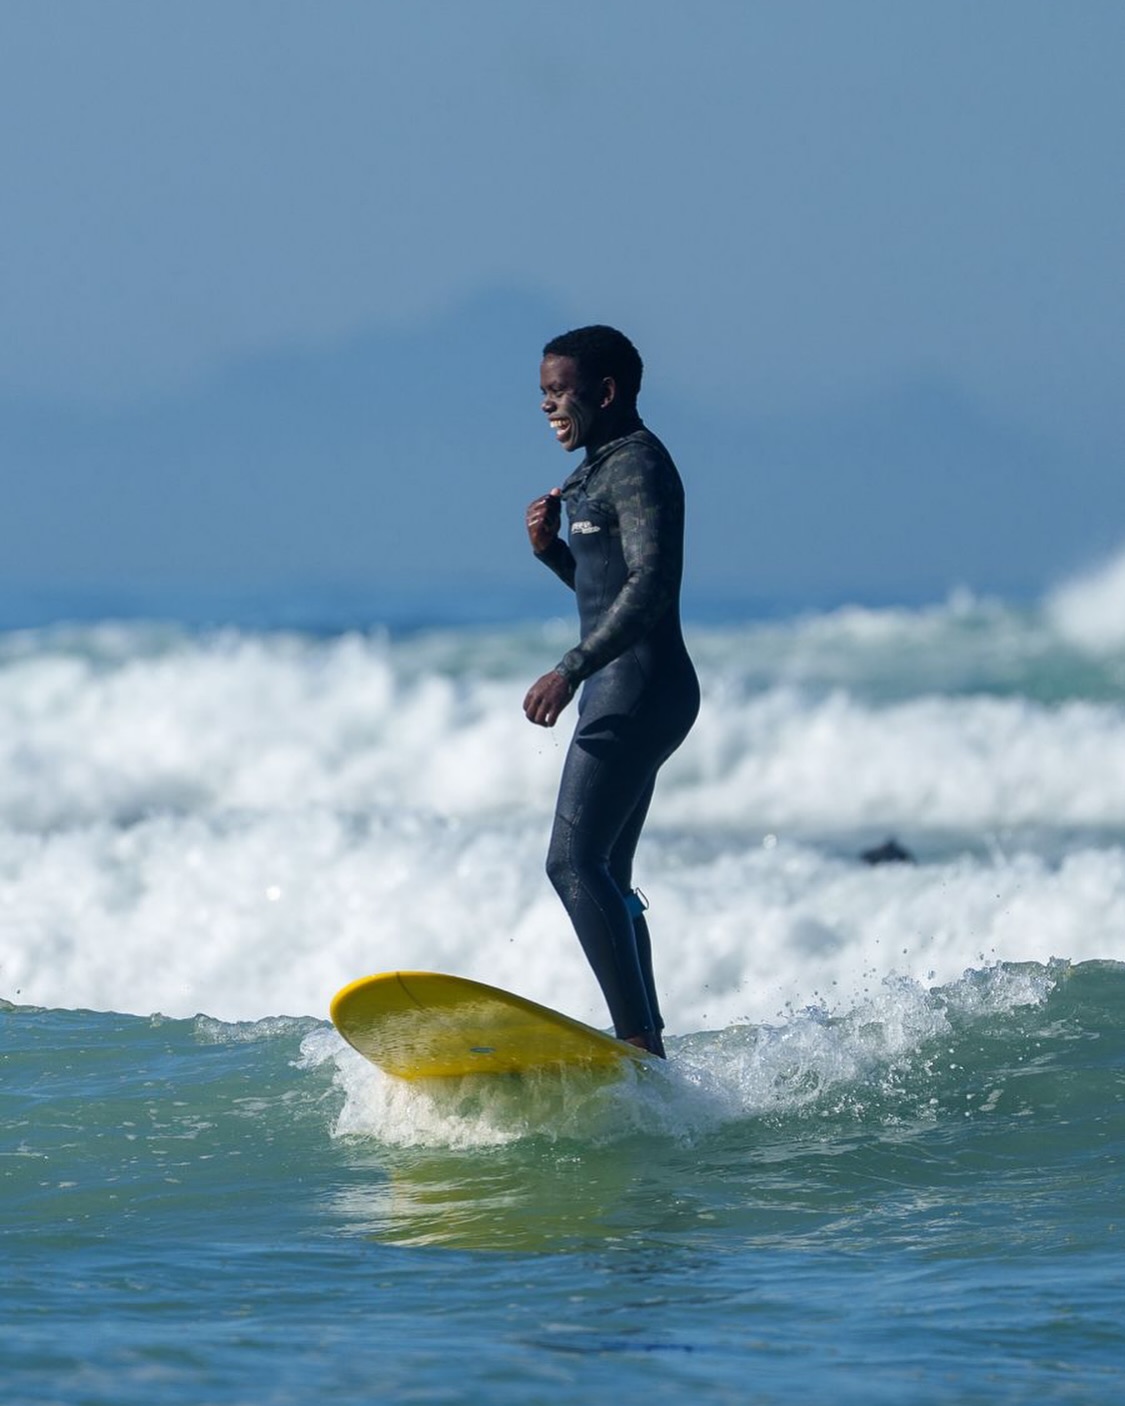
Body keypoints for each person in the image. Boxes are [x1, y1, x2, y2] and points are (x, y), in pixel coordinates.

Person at [523, 325, 699, 1058]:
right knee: (605, 871)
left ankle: (638, 1044)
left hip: (640, 687)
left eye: (558, 392)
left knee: (570, 863)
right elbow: (608, 593)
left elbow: (652, 587)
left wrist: (569, 668)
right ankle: (646, 1040)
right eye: (541, 395)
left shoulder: (637, 467)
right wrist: (554, 554)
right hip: (622, 685)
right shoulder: (598, 470)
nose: (546, 408)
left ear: (604, 391)